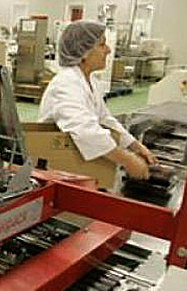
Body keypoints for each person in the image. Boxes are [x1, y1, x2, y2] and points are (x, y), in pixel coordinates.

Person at [38, 21, 156, 180]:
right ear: (84, 52)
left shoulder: (90, 81)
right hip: (56, 167)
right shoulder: (66, 83)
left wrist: (135, 145)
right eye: (102, 45)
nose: (108, 50)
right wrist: (128, 160)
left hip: (75, 164)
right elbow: (84, 130)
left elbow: (105, 118)